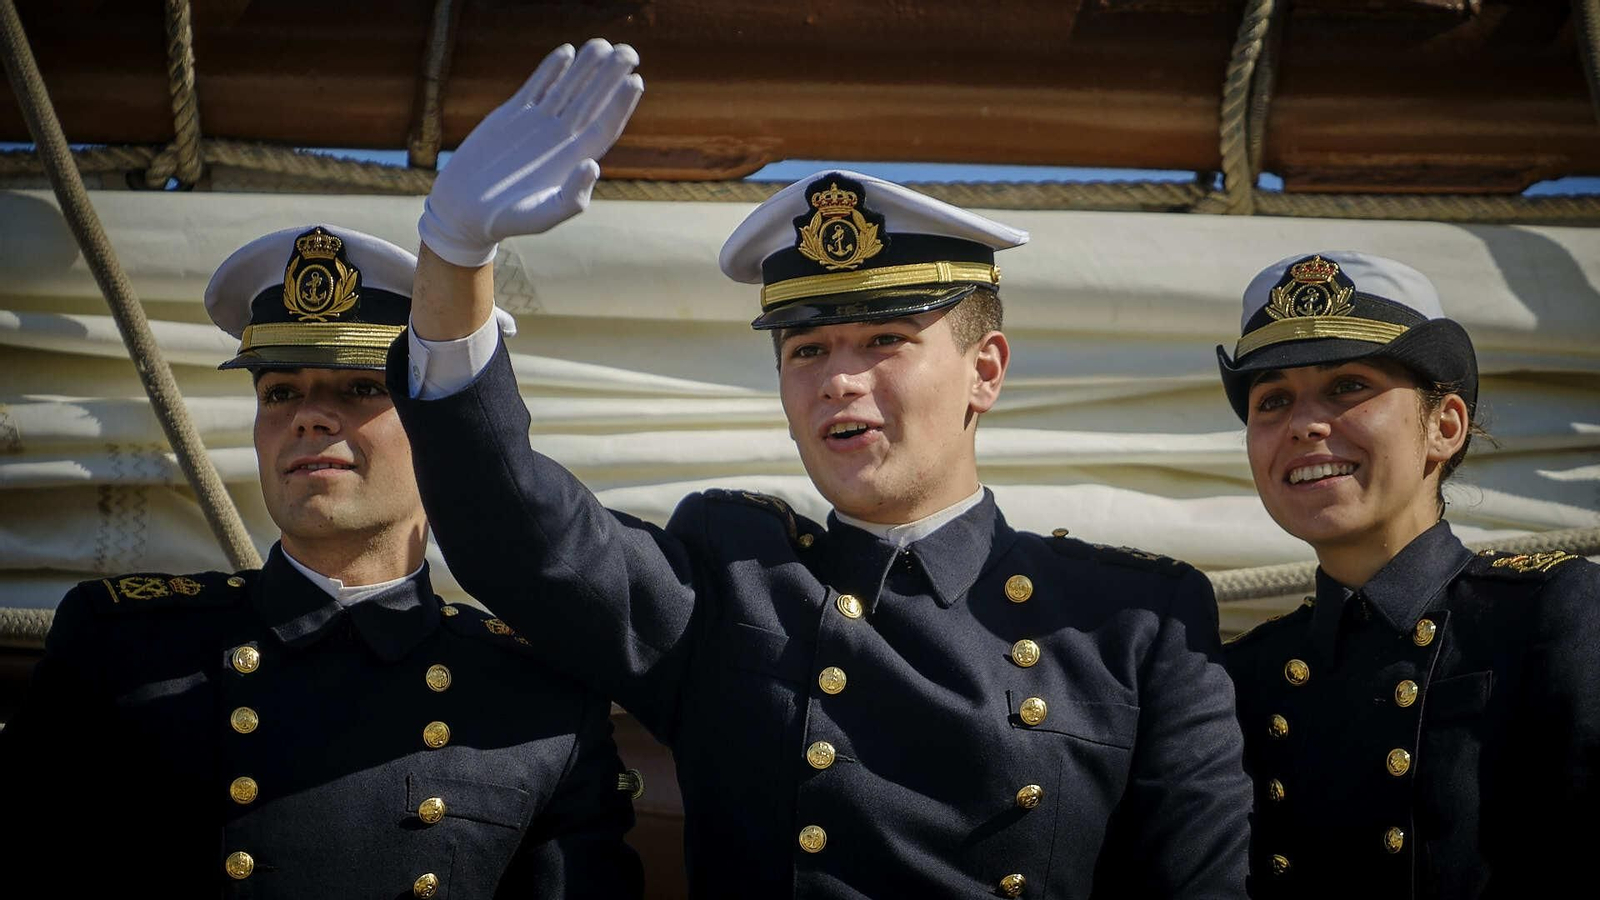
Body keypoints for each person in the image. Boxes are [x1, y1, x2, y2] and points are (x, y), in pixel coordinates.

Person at [387, 38, 1250, 898]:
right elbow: (514, 532)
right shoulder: (733, 587)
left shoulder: (1135, 625)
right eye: (807, 349)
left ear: (985, 370)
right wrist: (456, 255)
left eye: (885, 341)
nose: (839, 379)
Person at [0, 225, 642, 898]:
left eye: (362, 388)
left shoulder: (541, 700)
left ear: (445, 433)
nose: (309, 416)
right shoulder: (120, 645)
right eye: (280, 392)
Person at [1216, 251, 1600, 898]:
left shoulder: (1554, 614)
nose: (1305, 425)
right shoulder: (1239, 675)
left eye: (1348, 387)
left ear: (1444, 426)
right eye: (1272, 400)